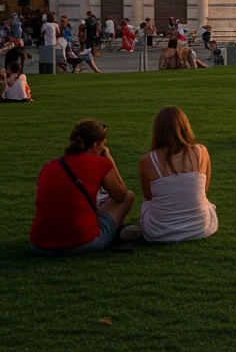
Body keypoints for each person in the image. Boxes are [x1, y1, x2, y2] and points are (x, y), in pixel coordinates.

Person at [29, 119, 135, 256]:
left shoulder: (50, 166)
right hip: (82, 243)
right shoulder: (99, 163)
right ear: (96, 144)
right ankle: (110, 234)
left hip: (39, 245)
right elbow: (122, 195)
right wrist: (109, 158)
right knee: (129, 196)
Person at [125, 106, 218, 243]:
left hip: (158, 232)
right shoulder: (201, 152)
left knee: (148, 205)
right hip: (200, 228)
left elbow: (149, 197)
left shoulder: (147, 160)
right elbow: (204, 188)